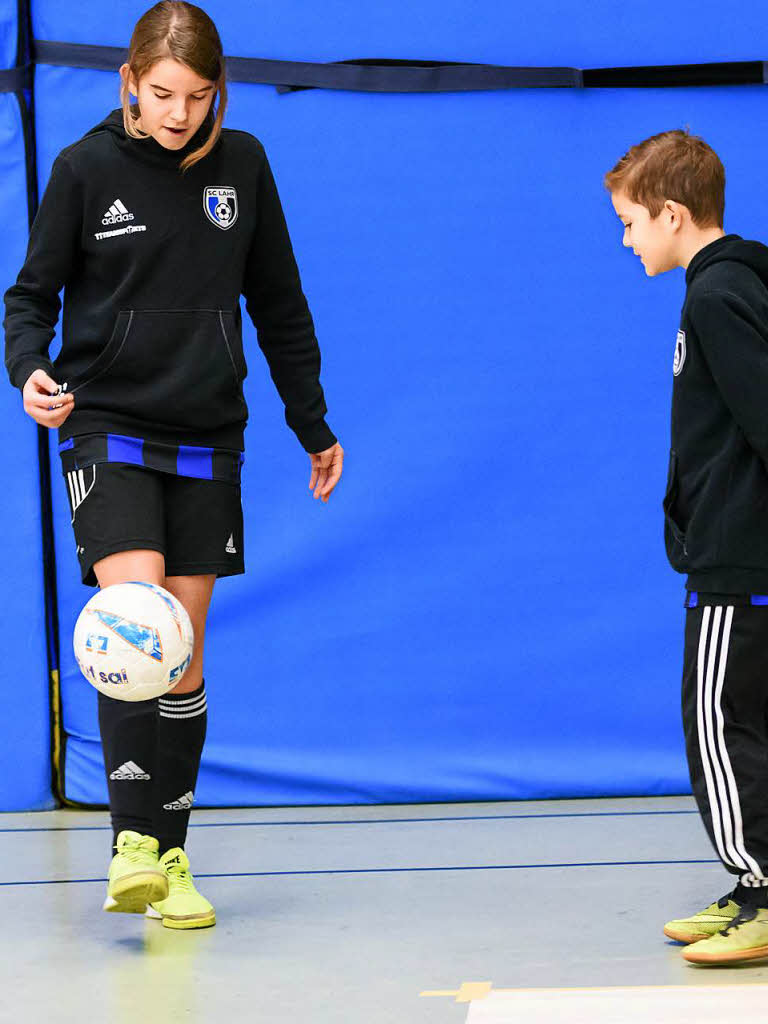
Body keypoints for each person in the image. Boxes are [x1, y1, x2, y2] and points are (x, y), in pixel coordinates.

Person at [3, 0, 344, 930]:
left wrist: (311, 423)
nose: (180, 112)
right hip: (105, 423)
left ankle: (173, 859)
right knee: (133, 623)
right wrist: (31, 372)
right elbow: (28, 299)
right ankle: (128, 843)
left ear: (217, 90)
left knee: (183, 657)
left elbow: (280, 302)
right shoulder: (83, 170)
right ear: (128, 83)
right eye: (162, 94)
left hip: (207, 434)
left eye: (197, 96)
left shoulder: (246, 167)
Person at [605, 129, 768, 965]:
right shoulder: (735, 284)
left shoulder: (715, 297)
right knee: (754, 726)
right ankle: (754, 887)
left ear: (673, 214)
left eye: (631, 221)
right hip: (741, 554)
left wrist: (715, 531)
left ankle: (764, 885)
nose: (627, 239)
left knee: (717, 723)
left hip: (740, 562)